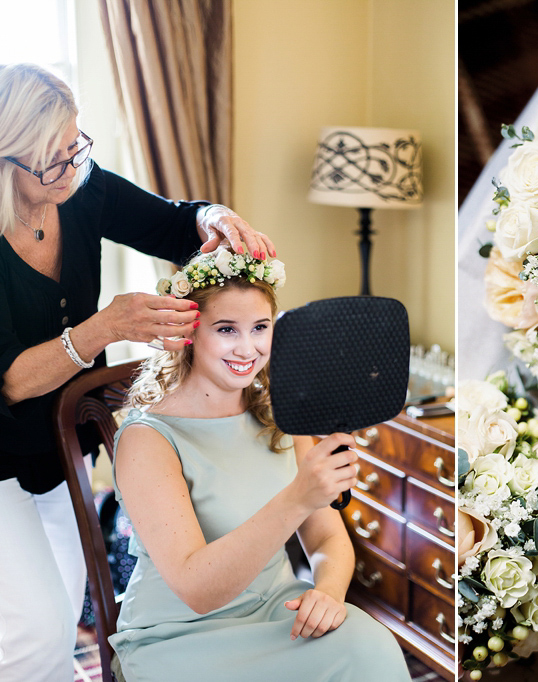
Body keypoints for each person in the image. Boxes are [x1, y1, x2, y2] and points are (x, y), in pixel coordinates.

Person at [0, 63, 276, 681]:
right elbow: (9, 380)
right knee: (32, 627)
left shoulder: (83, 189)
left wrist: (213, 218)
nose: (71, 167)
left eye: (76, 145)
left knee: (60, 610)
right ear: (5, 161)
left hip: (55, 445)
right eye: (52, 160)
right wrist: (104, 328)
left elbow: (176, 222)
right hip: (0, 455)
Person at [110, 249, 411, 681]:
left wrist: (327, 593)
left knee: (373, 648)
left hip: (278, 611)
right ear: (190, 331)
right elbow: (197, 591)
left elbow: (326, 536)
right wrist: (298, 497)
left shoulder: (279, 416)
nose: (247, 348)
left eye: (260, 328)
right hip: (180, 636)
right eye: (227, 329)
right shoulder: (148, 439)